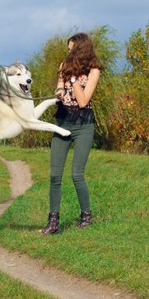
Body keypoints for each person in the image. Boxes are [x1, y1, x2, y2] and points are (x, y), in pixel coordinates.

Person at [40, 33, 102, 235]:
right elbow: (60, 86)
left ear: (80, 50)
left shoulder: (94, 71)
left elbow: (83, 101)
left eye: (71, 49)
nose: (68, 53)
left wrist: (73, 78)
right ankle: (53, 222)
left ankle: (86, 215)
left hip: (83, 125)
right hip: (62, 122)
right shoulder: (63, 66)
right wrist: (59, 91)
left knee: (77, 174)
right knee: (55, 175)